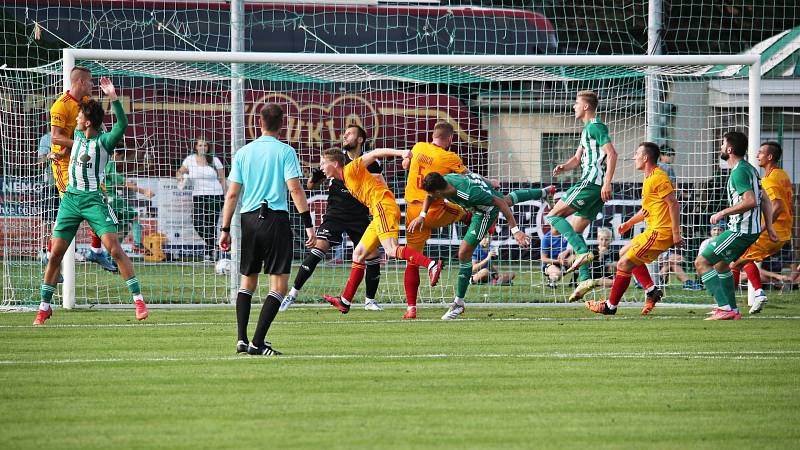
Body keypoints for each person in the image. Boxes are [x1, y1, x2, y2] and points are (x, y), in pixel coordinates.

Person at [34, 78, 148, 325]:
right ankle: (44, 307)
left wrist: (114, 97)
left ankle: (138, 300)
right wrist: (58, 154)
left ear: (87, 122)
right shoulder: (76, 133)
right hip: (71, 200)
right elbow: (72, 150)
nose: (75, 119)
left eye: (79, 117)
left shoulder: (104, 142)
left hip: (94, 201)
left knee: (115, 249)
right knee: (55, 255)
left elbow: (123, 123)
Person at [219, 103, 316, 356]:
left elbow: (232, 194)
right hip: (275, 218)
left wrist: (225, 228)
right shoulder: (286, 152)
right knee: (279, 285)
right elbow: (295, 189)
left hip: (248, 219)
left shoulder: (243, 152)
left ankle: (241, 339)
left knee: (247, 280)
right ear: (281, 125)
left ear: (258, 124)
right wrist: (308, 225)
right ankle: (257, 343)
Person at [320, 148, 445, 314]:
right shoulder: (346, 178)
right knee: (358, 254)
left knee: (391, 249)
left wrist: (401, 153)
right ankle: (345, 301)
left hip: (382, 208)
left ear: (335, 163)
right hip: (377, 210)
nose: (320, 167)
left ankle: (431, 264)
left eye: (323, 163)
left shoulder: (351, 168)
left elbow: (375, 153)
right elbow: (377, 177)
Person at [280, 125, 384, 312]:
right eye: (344, 133)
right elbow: (311, 185)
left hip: (359, 216)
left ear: (360, 140)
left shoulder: (370, 163)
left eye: (350, 133)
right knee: (318, 249)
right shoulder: (336, 159)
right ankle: (291, 295)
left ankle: (370, 301)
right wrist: (317, 174)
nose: (344, 135)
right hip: (335, 214)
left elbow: (380, 187)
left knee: (373, 255)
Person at [412, 171, 539, 319]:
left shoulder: (467, 193)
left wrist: (516, 231)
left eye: (433, 194)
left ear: (439, 191)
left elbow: (500, 204)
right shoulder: (445, 180)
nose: (430, 196)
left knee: (463, 253)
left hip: (485, 213)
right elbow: (461, 176)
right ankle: (544, 192)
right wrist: (422, 216)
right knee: (507, 199)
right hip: (481, 191)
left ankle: (458, 304)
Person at [585, 142, 681, 316]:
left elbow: (673, 203)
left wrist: (676, 234)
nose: (634, 157)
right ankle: (651, 291)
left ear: (645, 158)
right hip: (654, 230)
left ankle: (610, 306)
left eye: (637, 154)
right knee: (624, 253)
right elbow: (647, 209)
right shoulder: (649, 177)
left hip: (660, 232)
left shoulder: (658, 177)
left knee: (624, 264)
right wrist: (629, 223)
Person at [693, 131, 777, 321]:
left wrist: (723, 212)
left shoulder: (739, 172)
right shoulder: (750, 169)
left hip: (740, 230)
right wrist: (770, 228)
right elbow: (765, 201)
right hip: (749, 230)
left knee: (701, 262)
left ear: (729, 149)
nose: (721, 147)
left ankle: (724, 308)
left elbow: (750, 200)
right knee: (723, 265)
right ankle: (732, 308)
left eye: (722, 144)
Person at [546, 90, 618, 302]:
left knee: (552, 216)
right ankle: (585, 278)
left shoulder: (596, 126)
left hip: (590, 183)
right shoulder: (587, 129)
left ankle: (581, 251)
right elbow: (577, 160)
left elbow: (612, 154)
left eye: (577, 103)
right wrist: (564, 167)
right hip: (593, 185)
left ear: (586, 106)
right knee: (575, 230)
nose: (574, 107)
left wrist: (607, 182)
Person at [396, 121, 471, 319]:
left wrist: (407, 162)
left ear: (432, 135)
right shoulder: (450, 157)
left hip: (412, 212)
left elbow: (406, 164)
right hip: (434, 211)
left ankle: (411, 308)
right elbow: (468, 178)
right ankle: (487, 231)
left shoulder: (419, 147)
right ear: (451, 138)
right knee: (465, 211)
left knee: (412, 260)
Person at [47, 65, 117, 273]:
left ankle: (96, 251)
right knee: (68, 213)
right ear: (80, 82)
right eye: (91, 81)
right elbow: (55, 137)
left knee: (100, 198)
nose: (93, 85)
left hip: (85, 163)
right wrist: (78, 145)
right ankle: (51, 260)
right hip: (64, 166)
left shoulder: (86, 103)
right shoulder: (60, 105)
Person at [730, 141, 794, 314]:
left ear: (770, 157)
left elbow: (778, 206)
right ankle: (757, 293)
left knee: (734, 261)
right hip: (784, 230)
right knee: (744, 258)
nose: (757, 155)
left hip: (772, 231)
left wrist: (765, 227)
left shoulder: (770, 179)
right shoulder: (783, 175)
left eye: (760, 153)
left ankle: (728, 306)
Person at [177, 137, 226, 261]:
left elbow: (222, 178)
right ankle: (213, 246)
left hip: (215, 195)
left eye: (205, 145)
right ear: (195, 147)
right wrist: (181, 178)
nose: (202, 147)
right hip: (198, 195)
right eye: (200, 145)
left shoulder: (214, 160)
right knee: (198, 222)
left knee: (211, 224)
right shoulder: (190, 160)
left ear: (208, 147)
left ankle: (209, 253)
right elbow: (179, 172)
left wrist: (226, 195)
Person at [105, 148, 155, 251]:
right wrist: (144, 191)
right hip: (112, 199)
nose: (122, 160)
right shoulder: (110, 163)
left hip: (103, 200)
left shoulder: (101, 162)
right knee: (135, 217)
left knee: (123, 227)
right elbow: (121, 181)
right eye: (122, 157)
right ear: (115, 154)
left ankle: (112, 253)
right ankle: (137, 243)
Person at [571, 227, 617, 300]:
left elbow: (617, 264)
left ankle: (601, 283)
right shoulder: (592, 249)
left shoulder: (613, 252)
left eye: (607, 240)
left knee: (613, 276)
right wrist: (600, 255)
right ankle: (575, 282)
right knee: (581, 263)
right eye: (601, 239)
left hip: (604, 275)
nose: (604, 242)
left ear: (611, 240)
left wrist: (612, 263)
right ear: (598, 239)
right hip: (591, 273)